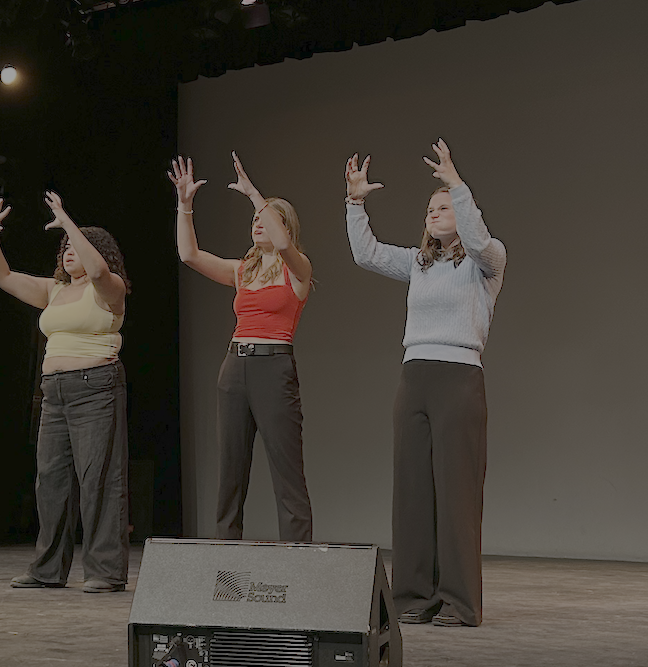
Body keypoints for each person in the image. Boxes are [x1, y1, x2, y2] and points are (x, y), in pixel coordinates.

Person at [345, 139, 506, 626]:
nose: (435, 213)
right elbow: (366, 254)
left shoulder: (487, 260)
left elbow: (477, 240)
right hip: (414, 377)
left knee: (456, 491)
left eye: (444, 207)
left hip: (458, 380)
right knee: (412, 489)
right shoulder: (419, 264)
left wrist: (455, 184)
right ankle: (414, 597)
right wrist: (355, 202)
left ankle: (459, 601)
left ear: (462, 210)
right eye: (430, 208)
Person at [0, 192, 131, 593]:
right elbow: (4, 277)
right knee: (51, 481)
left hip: (95, 387)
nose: (67, 252)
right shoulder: (54, 291)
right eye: (63, 247)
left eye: (74, 247)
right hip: (54, 393)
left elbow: (97, 271)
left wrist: (68, 222)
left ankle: (105, 571)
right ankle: (47, 569)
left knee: (98, 479)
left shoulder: (109, 288)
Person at [169, 152, 313, 541]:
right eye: (254, 221)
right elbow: (189, 255)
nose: (258, 224)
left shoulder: (297, 269)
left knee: (287, 470)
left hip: (273, 368)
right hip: (235, 368)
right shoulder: (242, 270)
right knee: (231, 468)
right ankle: (225, 553)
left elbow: (283, 244)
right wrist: (185, 206)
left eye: (265, 219)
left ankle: (297, 557)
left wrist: (253, 195)